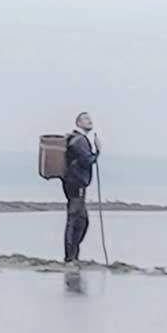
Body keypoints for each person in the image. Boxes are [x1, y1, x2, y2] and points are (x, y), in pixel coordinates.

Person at [63, 112, 99, 264]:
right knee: (75, 219)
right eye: (85, 119)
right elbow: (87, 160)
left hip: (73, 182)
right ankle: (70, 257)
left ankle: (73, 255)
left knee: (82, 221)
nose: (90, 121)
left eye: (90, 119)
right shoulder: (79, 140)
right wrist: (97, 151)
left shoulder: (76, 139)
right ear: (78, 123)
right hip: (76, 183)